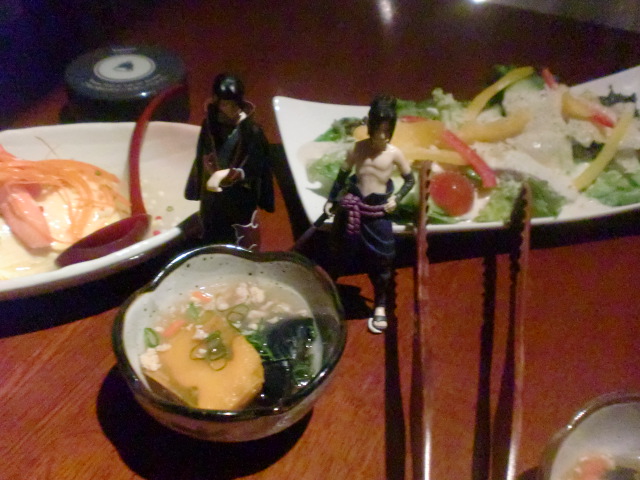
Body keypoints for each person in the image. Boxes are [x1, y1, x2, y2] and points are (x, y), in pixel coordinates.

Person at [324, 95, 415, 333]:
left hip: (378, 212)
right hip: (353, 206)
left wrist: (397, 198)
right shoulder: (358, 148)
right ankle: (327, 291)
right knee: (337, 252)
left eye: (387, 131)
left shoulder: (394, 153)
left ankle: (380, 305)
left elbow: (410, 180)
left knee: (383, 261)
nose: (382, 136)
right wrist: (332, 199)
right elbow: (342, 174)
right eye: (378, 130)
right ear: (370, 126)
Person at [185, 73, 274, 249]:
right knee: (211, 228)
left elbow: (257, 164)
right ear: (217, 103)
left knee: (238, 233)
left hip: (239, 194)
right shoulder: (209, 125)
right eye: (225, 104)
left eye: (234, 104)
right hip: (212, 192)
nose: (230, 108)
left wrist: (235, 174)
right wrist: (203, 173)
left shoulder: (251, 131)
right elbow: (201, 152)